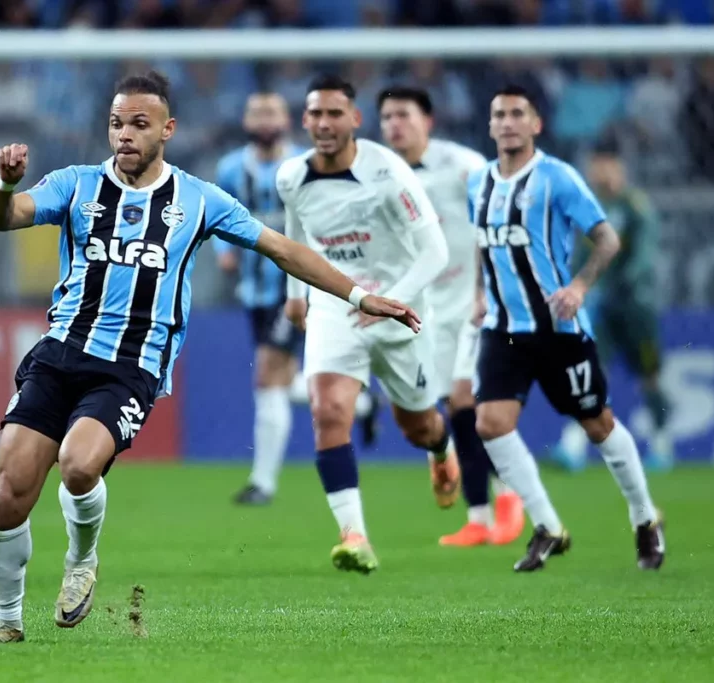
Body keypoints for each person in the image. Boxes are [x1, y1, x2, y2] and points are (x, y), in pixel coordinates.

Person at [0, 71, 421, 644]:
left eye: (139, 124)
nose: (125, 135)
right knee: (11, 488)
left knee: (80, 465)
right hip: (59, 351)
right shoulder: (76, 185)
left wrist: (358, 295)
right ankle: (7, 621)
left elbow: (282, 248)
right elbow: (2, 217)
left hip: (133, 364)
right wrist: (6, 185)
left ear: (168, 129)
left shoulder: (198, 199)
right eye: (116, 124)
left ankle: (81, 561)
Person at [470, 85, 665, 573]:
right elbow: (484, 244)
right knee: (491, 424)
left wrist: (578, 286)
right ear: (490, 125)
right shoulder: (478, 182)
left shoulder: (558, 178)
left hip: (559, 329)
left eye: (519, 114)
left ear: (536, 124)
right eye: (500, 114)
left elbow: (607, 238)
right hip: (504, 328)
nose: (508, 122)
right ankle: (548, 527)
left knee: (596, 422)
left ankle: (644, 517)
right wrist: (478, 291)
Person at [277, 74, 459, 575]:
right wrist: (296, 296)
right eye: (315, 113)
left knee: (416, 425)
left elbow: (435, 251)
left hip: (402, 310)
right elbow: (297, 233)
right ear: (305, 120)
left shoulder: (388, 173)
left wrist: (389, 300)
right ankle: (353, 534)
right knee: (328, 409)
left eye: (335, 113)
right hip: (337, 304)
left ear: (355, 120)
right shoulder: (292, 176)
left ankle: (441, 447)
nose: (324, 123)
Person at [214, 92, 379, 506]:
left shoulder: (306, 167)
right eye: (255, 112)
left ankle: (262, 484)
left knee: (268, 375)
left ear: (288, 119)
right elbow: (215, 218)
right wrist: (224, 252)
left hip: (298, 288)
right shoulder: (231, 168)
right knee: (279, 382)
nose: (263, 119)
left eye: (270, 112)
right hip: (254, 291)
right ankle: (360, 403)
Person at [377, 85, 525, 548]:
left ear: (428, 121)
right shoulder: (379, 173)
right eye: (386, 117)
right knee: (452, 410)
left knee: (464, 399)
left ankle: (511, 498)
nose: (394, 125)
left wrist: (491, 288)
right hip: (425, 310)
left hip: (473, 302)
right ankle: (480, 517)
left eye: (403, 114)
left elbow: (496, 221)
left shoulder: (463, 166)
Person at [552, 138, 673, 472]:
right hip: (602, 308)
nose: (597, 171)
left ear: (618, 167)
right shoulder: (590, 209)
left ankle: (662, 444)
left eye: (603, 163)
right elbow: (580, 257)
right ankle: (573, 447)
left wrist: (621, 284)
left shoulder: (635, 206)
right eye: (594, 164)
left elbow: (644, 255)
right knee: (592, 371)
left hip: (636, 306)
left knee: (650, 376)